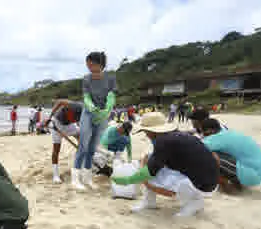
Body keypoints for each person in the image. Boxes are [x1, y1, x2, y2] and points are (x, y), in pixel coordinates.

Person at [111, 112, 218, 217]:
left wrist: (127, 180)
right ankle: (149, 202)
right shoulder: (176, 135)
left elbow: (149, 171)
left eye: (146, 131)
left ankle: (195, 202)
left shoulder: (163, 142)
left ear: (152, 131)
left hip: (203, 184)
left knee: (146, 174)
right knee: (148, 163)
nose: (146, 134)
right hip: (210, 178)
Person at [72, 51, 117, 190]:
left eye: (91, 63)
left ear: (99, 64)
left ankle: (87, 178)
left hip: (103, 115)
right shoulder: (86, 79)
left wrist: (108, 108)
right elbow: (86, 97)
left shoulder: (110, 79)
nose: (88, 66)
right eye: (87, 64)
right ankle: (75, 180)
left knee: (92, 148)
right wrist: (90, 106)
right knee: (83, 145)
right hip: (88, 113)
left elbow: (111, 96)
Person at [200, 118, 261, 193]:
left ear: (210, 130)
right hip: (256, 172)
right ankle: (239, 188)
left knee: (209, 156)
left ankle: (228, 191)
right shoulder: (229, 133)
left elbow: (197, 147)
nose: (203, 135)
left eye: (203, 132)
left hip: (250, 174)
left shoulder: (217, 137)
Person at [47, 99, 82, 183]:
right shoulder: (75, 105)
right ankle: (55, 175)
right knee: (56, 149)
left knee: (82, 142)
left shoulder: (86, 113)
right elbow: (60, 102)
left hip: (70, 125)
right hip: (57, 124)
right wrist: (50, 117)